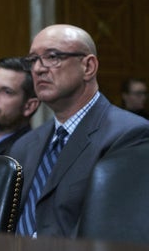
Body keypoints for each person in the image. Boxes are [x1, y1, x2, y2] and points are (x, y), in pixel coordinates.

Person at [11, 24, 149, 238]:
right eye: (32, 60)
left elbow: (113, 231)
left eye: (52, 56)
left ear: (88, 67)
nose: (38, 69)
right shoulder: (26, 144)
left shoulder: (130, 135)